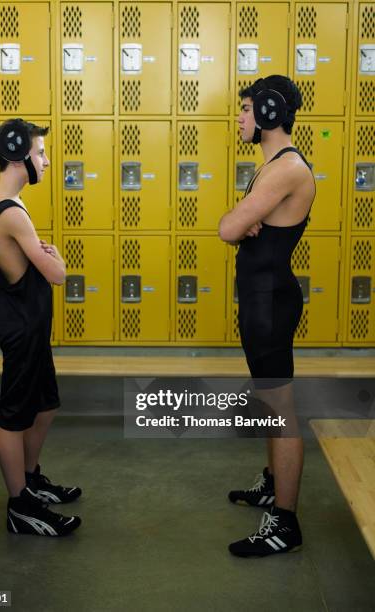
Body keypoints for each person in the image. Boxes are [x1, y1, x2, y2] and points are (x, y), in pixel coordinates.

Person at [219, 75, 316, 557]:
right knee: (269, 401)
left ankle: (284, 522)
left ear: (270, 113)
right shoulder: (275, 166)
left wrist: (239, 221)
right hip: (262, 297)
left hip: (269, 301)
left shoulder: (286, 169)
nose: (239, 117)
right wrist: (242, 222)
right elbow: (240, 226)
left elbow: (228, 228)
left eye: (245, 109)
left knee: (280, 410)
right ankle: (273, 485)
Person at [0, 118, 82, 537]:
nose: (47, 160)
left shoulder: (11, 206)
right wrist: (57, 257)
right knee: (14, 416)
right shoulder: (9, 212)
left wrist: (50, 258)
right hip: (21, 330)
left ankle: (30, 478)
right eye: (40, 152)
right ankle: (19, 505)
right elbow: (57, 274)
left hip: (33, 327)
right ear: (18, 153)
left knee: (46, 404)